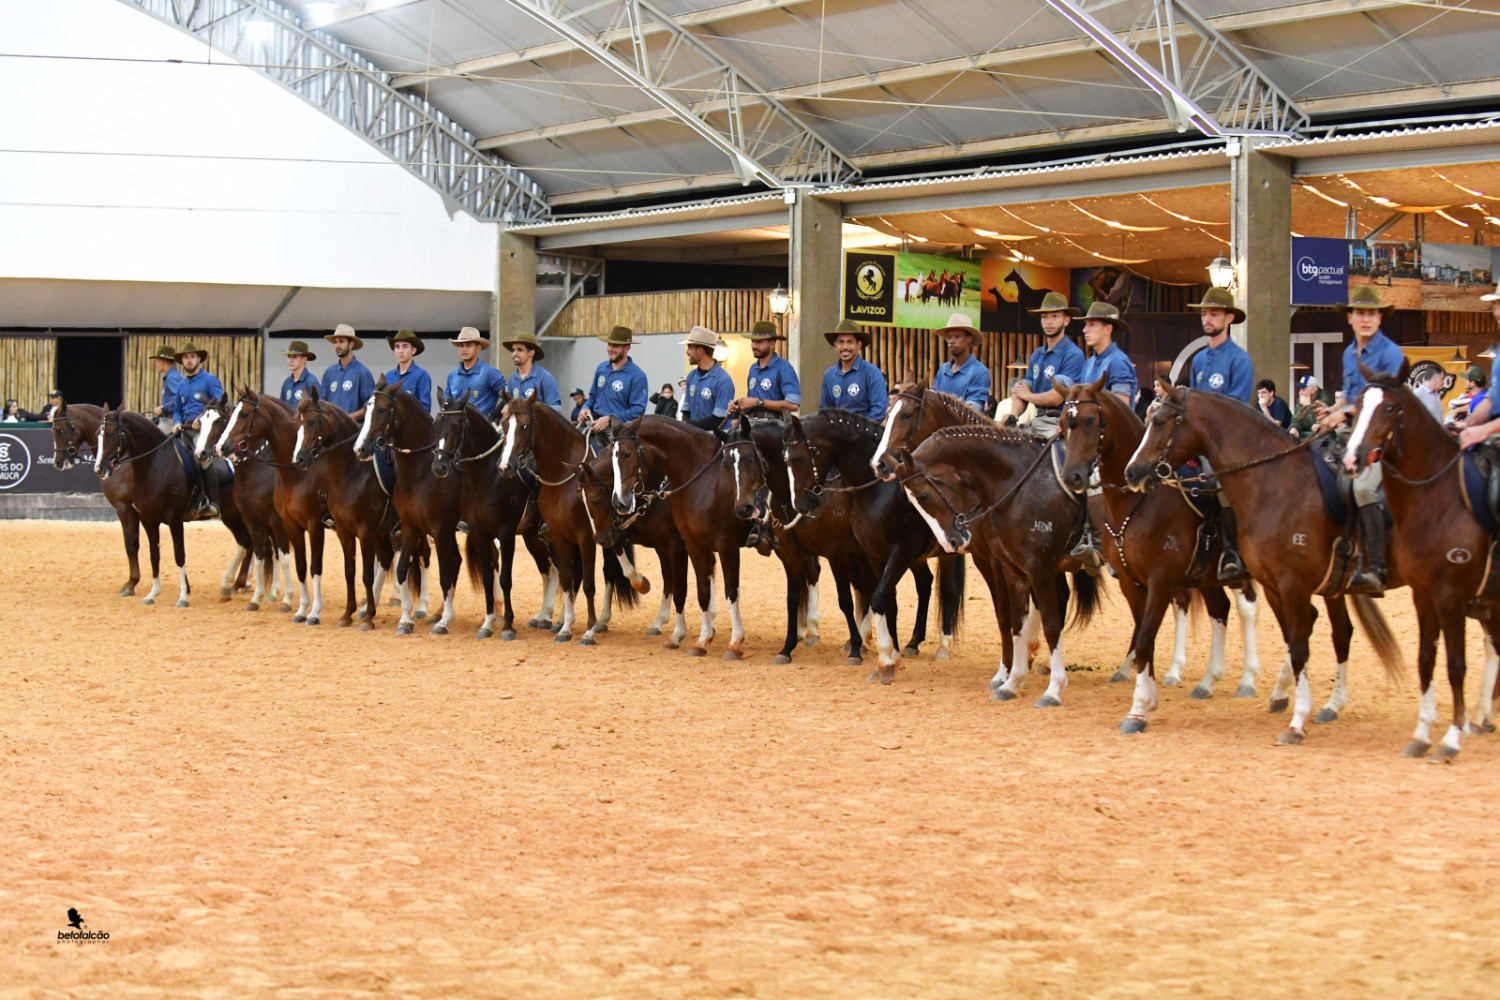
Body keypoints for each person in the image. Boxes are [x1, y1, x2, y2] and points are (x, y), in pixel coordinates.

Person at [1322, 284, 1405, 594]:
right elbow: (1352, 398)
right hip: (1353, 431)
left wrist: (1343, 415)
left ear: (1380, 319)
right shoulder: (1348, 353)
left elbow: (1380, 400)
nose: (1366, 319)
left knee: (1362, 485)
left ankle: (1377, 568)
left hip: (1384, 437)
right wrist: (1331, 410)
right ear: (1350, 318)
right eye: (1360, 313)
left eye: (1372, 313)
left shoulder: (1390, 354)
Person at [1183, 287, 1256, 583]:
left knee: (1218, 483)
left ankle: (1232, 552)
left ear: (1228, 318)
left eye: (1213, 313)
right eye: (1204, 313)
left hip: (1228, 444)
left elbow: (1234, 412)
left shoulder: (1240, 360)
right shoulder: (1199, 360)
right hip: (1198, 442)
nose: (1207, 318)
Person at [1069, 302, 1137, 567]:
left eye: (1092, 324)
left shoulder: (1117, 362)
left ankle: (1097, 547)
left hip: (1116, 444)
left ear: (1108, 328)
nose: (1085, 329)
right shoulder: (1090, 364)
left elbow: (1120, 406)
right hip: (1092, 438)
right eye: (1086, 324)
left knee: (1091, 476)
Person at [1008, 291, 1084, 437]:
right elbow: (1021, 390)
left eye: (1055, 316)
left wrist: (1027, 396)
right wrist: (1013, 415)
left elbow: (1056, 397)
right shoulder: (1037, 355)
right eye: (1044, 317)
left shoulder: (1073, 355)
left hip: (1060, 422)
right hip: (1037, 421)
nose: (1048, 322)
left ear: (1066, 320)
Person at [171, 342, 227, 519]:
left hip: (203, 431)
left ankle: (213, 503)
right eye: (186, 358)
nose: (189, 361)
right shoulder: (180, 384)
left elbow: (220, 404)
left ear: (199, 359)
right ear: (182, 361)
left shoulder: (209, 380)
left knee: (201, 457)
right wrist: (177, 422)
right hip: (183, 430)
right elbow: (177, 409)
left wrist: (202, 419)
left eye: (192, 357)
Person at [579, 325, 648, 434]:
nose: (610, 349)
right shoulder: (601, 368)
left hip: (619, 433)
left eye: (615, 345)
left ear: (627, 348)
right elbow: (592, 397)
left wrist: (610, 420)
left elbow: (637, 411)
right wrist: (585, 408)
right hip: (593, 425)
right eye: (609, 344)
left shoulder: (638, 376)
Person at [730, 320, 801, 421]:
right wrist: (738, 406)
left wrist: (758, 402)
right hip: (753, 425)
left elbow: (793, 405)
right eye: (753, 341)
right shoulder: (753, 369)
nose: (754, 346)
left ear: (772, 344)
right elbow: (751, 404)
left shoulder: (784, 368)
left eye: (759, 342)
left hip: (776, 428)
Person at [818, 319, 888, 421]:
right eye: (840, 342)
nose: (845, 347)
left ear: (858, 345)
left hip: (866, 434)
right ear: (835, 345)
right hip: (836, 434)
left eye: (850, 342)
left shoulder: (872, 373)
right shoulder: (829, 375)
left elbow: (879, 412)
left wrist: (857, 432)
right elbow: (825, 411)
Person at [930, 313, 992, 414]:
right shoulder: (943, 369)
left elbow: (971, 411)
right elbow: (932, 399)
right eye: (949, 337)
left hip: (965, 430)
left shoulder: (980, 372)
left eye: (957, 337)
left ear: (969, 339)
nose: (951, 341)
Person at [680, 326, 735, 431]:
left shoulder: (723, 380)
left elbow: (719, 419)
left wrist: (689, 426)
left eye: (690, 348)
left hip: (716, 440)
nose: (687, 352)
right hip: (694, 437)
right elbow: (686, 410)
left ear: (700, 350)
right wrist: (686, 429)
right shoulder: (691, 376)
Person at [445, 327, 507, 417]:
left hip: (482, 429)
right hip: (457, 428)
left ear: (478, 348)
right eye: (461, 346)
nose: (464, 349)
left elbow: (509, 397)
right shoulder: (452, 376)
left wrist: (492, 417)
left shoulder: (490, 373)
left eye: (469, 345)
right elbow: (447, 404)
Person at [502, 330, 561, 414]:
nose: (514, 353)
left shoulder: (545, 377)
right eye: (513, 350)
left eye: (519, 350)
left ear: (531, 353)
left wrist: (533, 409)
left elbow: (557, 408)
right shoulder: (512, 378)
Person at [320, 324, 375, 413]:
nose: (337, 345)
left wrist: (349, 419)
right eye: (335, 342)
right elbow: (322, 403)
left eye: (341, 341)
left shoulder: (363, 372)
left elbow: (370, 405)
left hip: (354, 426)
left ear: (351, 344)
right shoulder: (329, 373)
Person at [381, 330, 432, 411]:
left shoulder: (422, 375)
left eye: (405, 346)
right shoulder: (389, 376)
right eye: (397, 347)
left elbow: (425, 408)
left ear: (413, 350)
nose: (401, 351)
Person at [149, 343, 182, 433]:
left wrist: (162, 408)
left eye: (157, 361)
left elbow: (178, 400)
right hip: (166, 419)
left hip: (170, 421)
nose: (156, 364)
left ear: (162, 361)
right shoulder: (174, 376)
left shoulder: (172, 378)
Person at [279, 341, 321, 407]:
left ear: (304, 359)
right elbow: (282, 407)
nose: (291, 360)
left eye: (295, 357)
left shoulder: (311, 381)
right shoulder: (287, 383)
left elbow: (318, 407)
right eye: (289, 356)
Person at [1289, 375, 1330, 439]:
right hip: (1305, 437)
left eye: (1303, 389)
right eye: (1300, 389)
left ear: (1313, 390)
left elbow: (1317, 425)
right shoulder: (1302, 398)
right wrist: (1294, 428)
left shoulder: (1324, 400)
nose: (1300, 392)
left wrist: (1308, 406)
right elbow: (1296, 419)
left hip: (1322, 439)